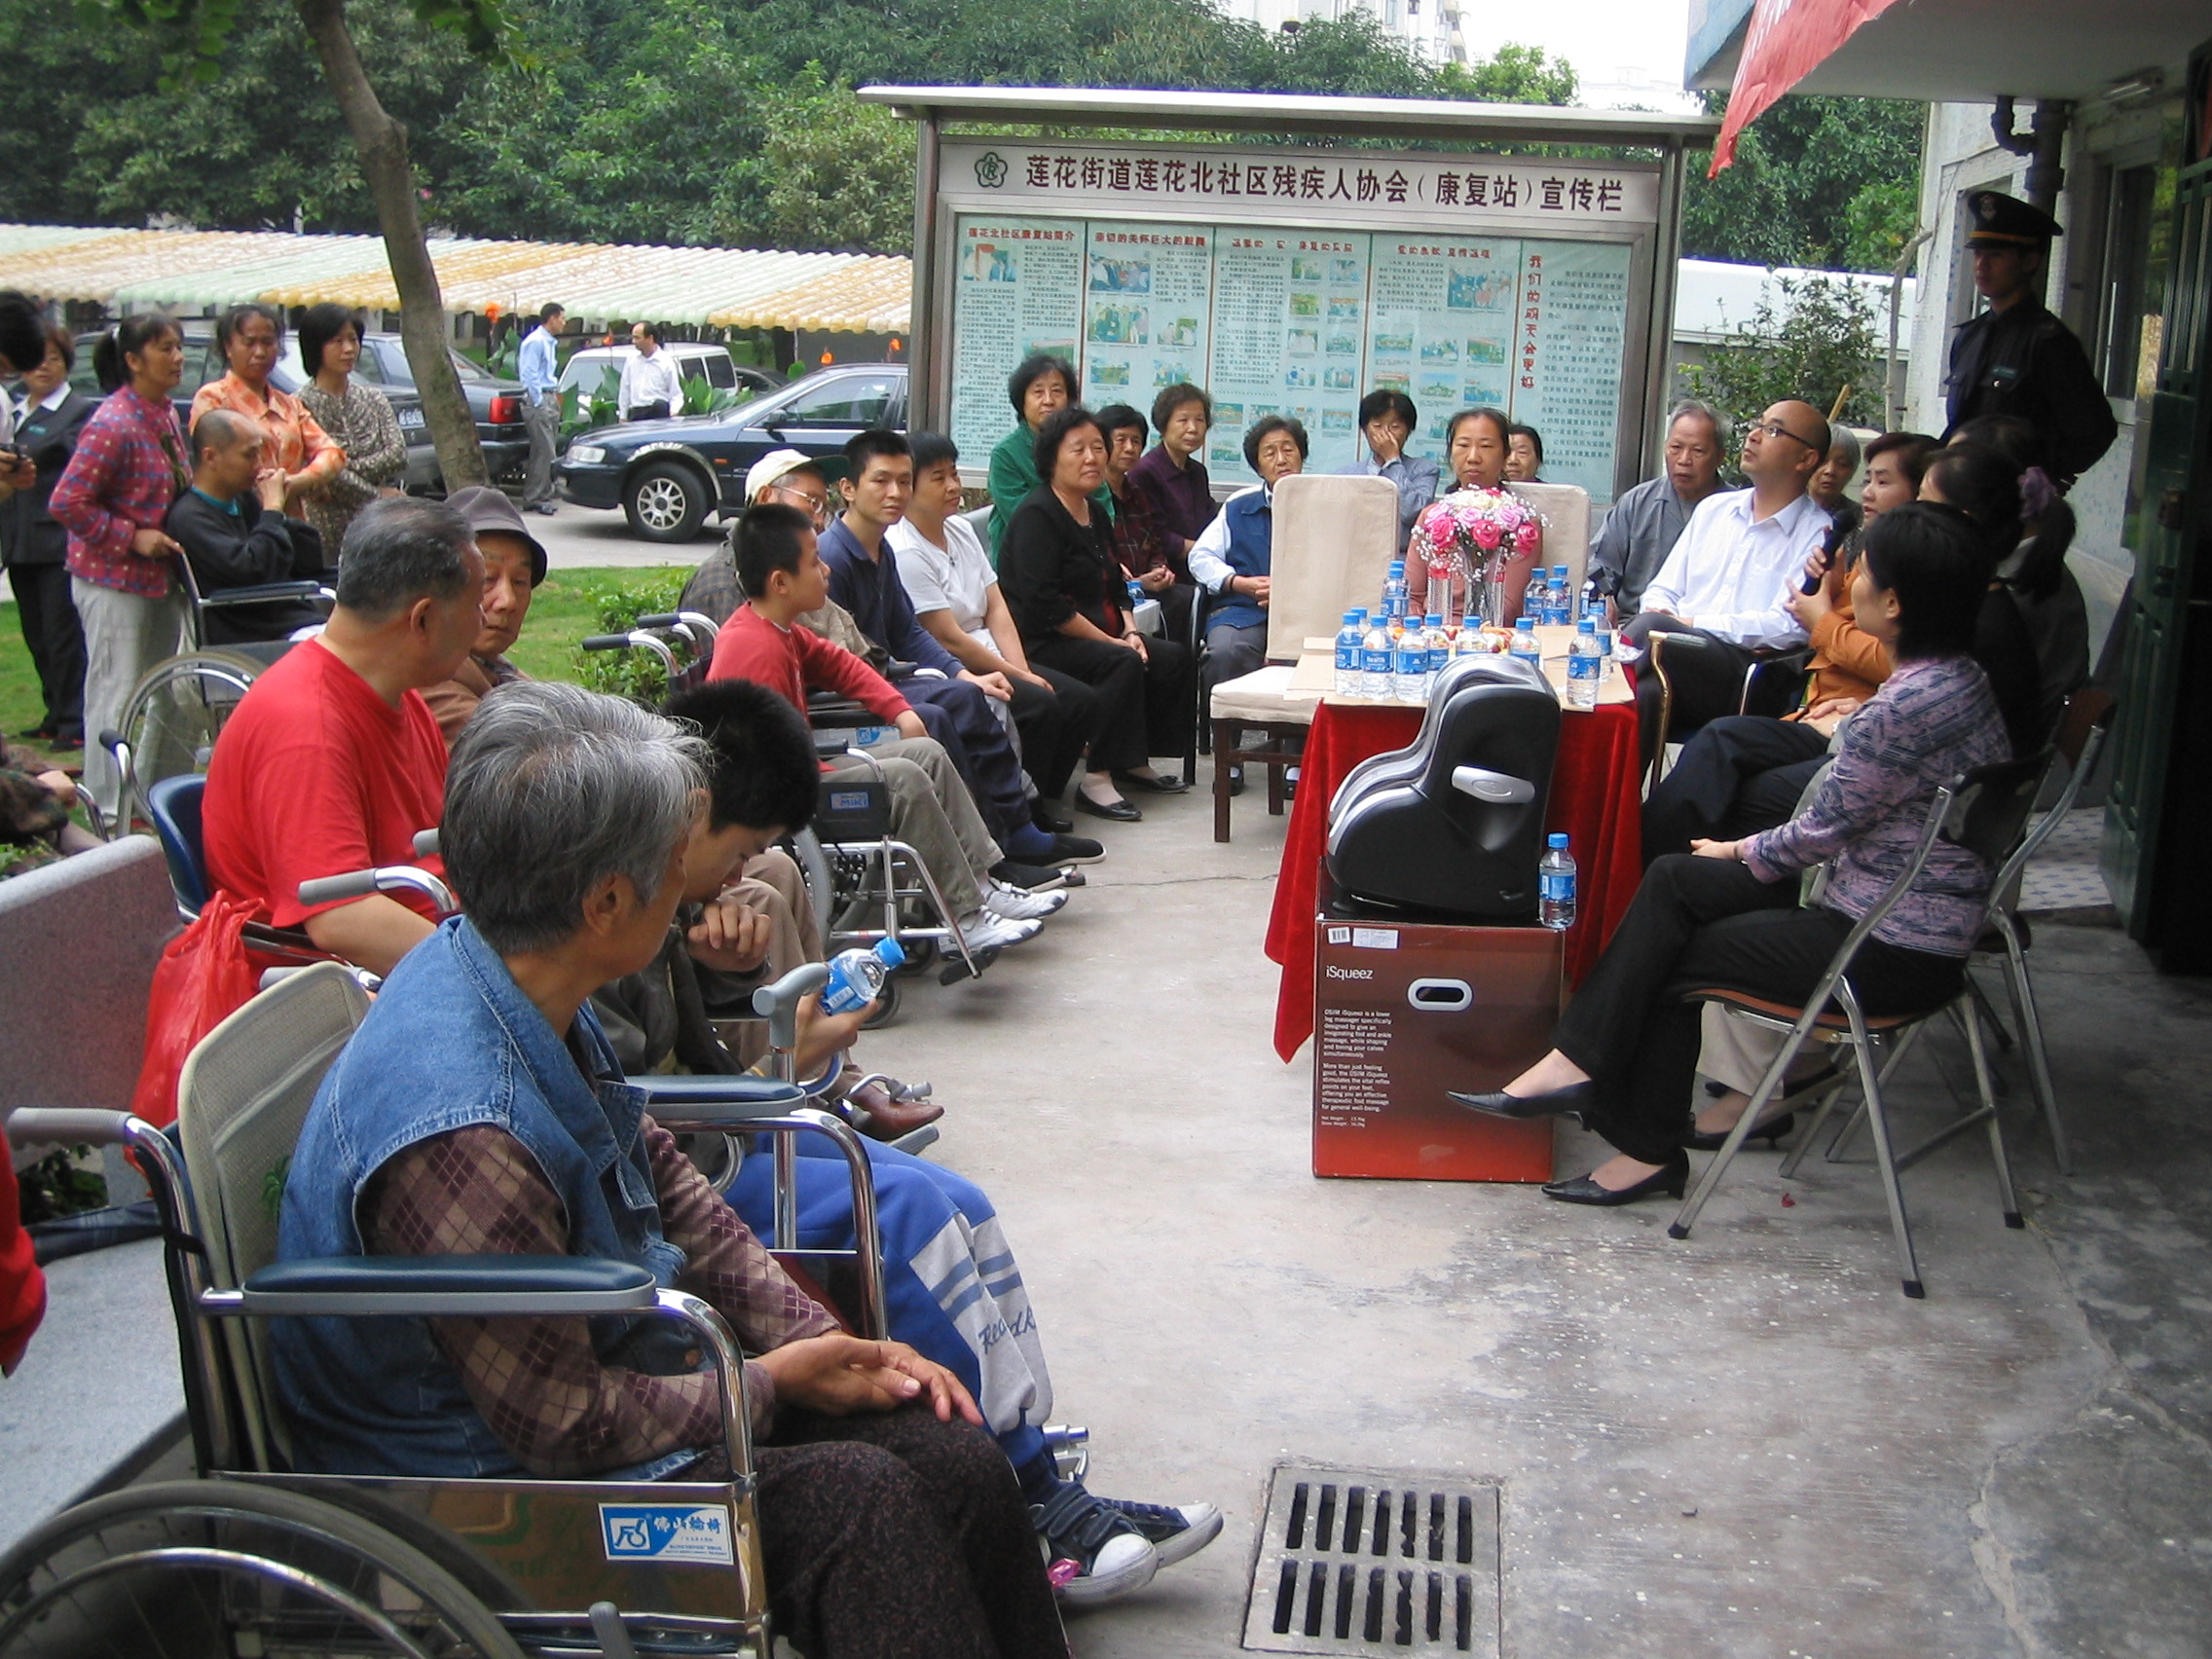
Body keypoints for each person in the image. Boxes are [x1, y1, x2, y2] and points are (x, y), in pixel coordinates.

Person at [271, 682, 1070, 1659]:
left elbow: (668, 1183)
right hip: (487, 1497)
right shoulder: (466, 1131)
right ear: (607, 901)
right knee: (858, 1512)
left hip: (614, 1383)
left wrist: (826, 1345)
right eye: (671, 860)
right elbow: (560, 1424)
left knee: (951, 1455)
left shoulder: (517, 975)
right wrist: (765, 1383)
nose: (697, 884)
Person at [664, 679, 1223, 1602]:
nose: (740, 876)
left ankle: (1033, 1468)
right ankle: (1028, 1500)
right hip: (695, 1160)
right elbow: (646, 1098)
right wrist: (785, 1045)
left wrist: (725, 974)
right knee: (908, 1216)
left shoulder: (664, 909)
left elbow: (699, 1048)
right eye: (738, 852)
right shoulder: (610, 915)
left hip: (721, 1132)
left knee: (961, 1201)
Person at [1451, 503, 2012, 1203]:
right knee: (1672, 881)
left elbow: (1822, 831)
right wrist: (1738, 853)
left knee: (1676, 954)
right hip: (1897, 913)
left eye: (1863, 573)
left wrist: (1738, 848)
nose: (1848, 584)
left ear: (1894, 603)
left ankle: (1637, 1139)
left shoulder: (1899, 711)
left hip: (1885, 943)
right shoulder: (1962, 681)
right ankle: (1576, 1066)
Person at [705, 500, 1051, 955]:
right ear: (780, 582)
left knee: (927, 751)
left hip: (803, 769)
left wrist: (900, 711)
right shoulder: (753, 647)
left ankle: (982, 886)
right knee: (903, 778)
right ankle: (962, 917)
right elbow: (765, 758)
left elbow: (842, 665)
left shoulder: (781, 629)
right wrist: (831, 773)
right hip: (783, 794)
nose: (826, 570)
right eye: (815, 561)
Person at [201, 497, 482, 977]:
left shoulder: (398, 692)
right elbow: (342, 920)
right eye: (475, 604)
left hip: (424, 942)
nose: (483, 620)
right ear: (423, 619)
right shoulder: (306, 724)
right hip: (337, 987)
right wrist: (496, 975)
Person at [1642, 430, 1937, 860]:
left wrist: (1822, 618)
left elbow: (1892, 660)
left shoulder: (1913, 566)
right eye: (1869, 479)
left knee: (1724, 748)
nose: (1867, 493)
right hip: (1819, 711)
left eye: (1883, 481)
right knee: (1649, 694)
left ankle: (1661, 859)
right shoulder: (1869, 553)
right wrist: (1833, 589)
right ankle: (1626, 844)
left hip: (1824, 711)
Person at [818, 429, 1083, 877]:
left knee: (970, 695)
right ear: (848, 488)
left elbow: (909, 633)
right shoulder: (834, 558)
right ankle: (989, 853)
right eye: (881, 481)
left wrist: (964, 675)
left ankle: (1014, 831)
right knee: (942, 715)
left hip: (890, 677)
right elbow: (837, 662)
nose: (895, 492)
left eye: (904, 481)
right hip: (856, 695)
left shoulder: (881, 549)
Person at [888, 432, 1099, 835]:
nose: (953, 486)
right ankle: (1018, 814)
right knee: (1038, 706)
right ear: (909, 488)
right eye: (938, 478)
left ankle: (1043, 798)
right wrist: (1019, 677)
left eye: (954, 474)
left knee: (1079, 701)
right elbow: (947, 638)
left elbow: (996, 605)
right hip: (957, 661)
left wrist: (1021, 669)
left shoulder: (960, 529)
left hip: (992, 648)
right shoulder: (906, 551)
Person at [999, 407, 1195, 824]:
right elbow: (1046, 606)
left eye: (1097, 448)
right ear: (1052, 457)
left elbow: (1116, 583)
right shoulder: (1037, 515)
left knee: (1171, 657)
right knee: (1119, 662)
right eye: (1078, 450)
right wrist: (1112, 642)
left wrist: (1130, 631)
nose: (1092, 458)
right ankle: (1097, 777)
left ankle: (1133, 760)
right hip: (1044, 640)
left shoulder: (1096, 512)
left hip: (1099, 632)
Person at [1624, 399, 1834, 755]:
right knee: (1644, 694)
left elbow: (1788, 625)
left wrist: (1689, 624)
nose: (1754, 436)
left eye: (1772, 430)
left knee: (1645, 633)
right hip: (1669, 657)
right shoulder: (1714, 509)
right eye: (1757, 424)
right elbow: (1662, 589)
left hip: (1744, 673)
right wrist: (1667, 619)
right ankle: (1616, 795)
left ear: (1806, 459)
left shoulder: (1817, 533)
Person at [51, 315, 193, 821]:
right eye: (164, 348)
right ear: (133, 360)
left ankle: (154, 801)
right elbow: (68, 502)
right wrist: (130, 536)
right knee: (116, 694)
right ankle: (107, 813)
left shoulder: (164, 414)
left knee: (166, 690)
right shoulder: (112, 423)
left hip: (161, 580)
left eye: (178, 347)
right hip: (112, 582)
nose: (177, 357)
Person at [1942, 190, 2117, 491]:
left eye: (1996, 255)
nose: (1981, 265)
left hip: (2011, 498)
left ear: (2029, 261)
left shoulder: (2049, 342)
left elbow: (2094, 432)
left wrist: (2043, 481)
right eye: (1978, 253)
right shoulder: (1969, 336)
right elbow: (1961, 422)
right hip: (1962, 490)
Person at [2, 325, 96, 749]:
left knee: (62, 637)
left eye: (53, 358)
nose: (43, 367)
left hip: (55, 542)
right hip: (18, 541)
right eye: (36, 359)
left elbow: (79, 470)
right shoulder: (15, 409)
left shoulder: (77, 411)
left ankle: (74, 720)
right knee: (36, 634)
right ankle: (53, 712)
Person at [165, 408, 329, 645]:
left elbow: (307, 563)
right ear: (210, 457)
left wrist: (281, 507)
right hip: (255, 628)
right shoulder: (190, 518)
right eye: (249, 455)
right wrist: (272, 510)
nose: (259, 465)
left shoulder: (244, 500)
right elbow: (253, 570)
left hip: (294, 616)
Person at [1188, 414, 1306, 702]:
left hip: (1307, 615)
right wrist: (1237, 582)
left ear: (1302, 455)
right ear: (1258, 466)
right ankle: (1226, 730)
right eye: (1270, 453)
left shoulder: (1325, 504)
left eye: (1288, 449)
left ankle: (1299, 733)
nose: (1281, 460)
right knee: (1226, 653)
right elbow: (1200, 557)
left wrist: (1291, 593)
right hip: (1243, 611)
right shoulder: (1238, 505)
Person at [188, 304, 345, 520]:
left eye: (268, 342)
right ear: (228, 347)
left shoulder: (289, 404)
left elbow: (333, 454)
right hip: (239, 520)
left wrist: (299, 482)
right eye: (249, 343)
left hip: (290, 523)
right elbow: (216, 467)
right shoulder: (213, 398)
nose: (260, 352)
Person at [421, 484, 546, 741]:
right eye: (487, 579)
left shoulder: (498, 671)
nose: (507, 601)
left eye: (520, 581)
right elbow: (518, 748)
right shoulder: (426, 681)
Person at [1588, 401, 1728, 617]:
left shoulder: (1736, 511)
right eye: (1676, 448)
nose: (1684, 460)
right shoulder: (1637, 502)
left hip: (1706, 629)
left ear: (1720, 457)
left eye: (1698, 451)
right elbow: (1600, 564)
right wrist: (1603, 596)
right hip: (1634, 623)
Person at [1405, 407, 1542, 622]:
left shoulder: (1522, 524)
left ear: (1505, 455)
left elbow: (1506, 608)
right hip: (1431, 632)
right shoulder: (1431, 517)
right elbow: (1411, 597)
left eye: (1486, 446)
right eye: (1463, 445)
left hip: (1490, 635)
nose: (1473, 457)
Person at [294, 303, 407, 558]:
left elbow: (397, 453)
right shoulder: (299, 405)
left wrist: (340, 469)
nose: (348, 349)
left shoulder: (373, 397)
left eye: (353, 340)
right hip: (327, 526)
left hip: (377, 527)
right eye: (337, 341)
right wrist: (376, 496)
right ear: (316, 346)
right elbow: (319, 471)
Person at [1097, 402, 1197, 644]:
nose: (1129, 448)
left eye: (1136, 441)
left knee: (1190, 598)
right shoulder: (1092, 497)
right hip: (1114, 595)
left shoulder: (1136, 494)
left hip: (1146, 588)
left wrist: (1160, 570)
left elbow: (1152, 543)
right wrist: (1137, 583)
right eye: (1121, 440)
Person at [987, 352, 1081, 560]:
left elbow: (1101, 504)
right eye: (1038, 392)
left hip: (1080, 560)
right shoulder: (1006, 454)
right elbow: (1025, 518)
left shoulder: (1083, 448)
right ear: (1022, 400)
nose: (1048, 400)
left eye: (1057, 391)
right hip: (1023, 563)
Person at [1127, 382, 1220, 564]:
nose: (1193, 428)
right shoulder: (1144, 472)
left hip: (1200, 565)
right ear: (1163, 425)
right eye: (1183, 420)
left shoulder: (1197, 472)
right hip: (1163, 571)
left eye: (1199, 420)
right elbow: (1153, 534)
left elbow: (1210, 521)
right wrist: (1203, 551)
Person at [1344, 388, 1438, 545]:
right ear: (1364, 429)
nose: (1386, 435)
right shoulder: (1346, 475)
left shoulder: (1424, 470)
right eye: (1377, 426)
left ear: (1408, 430)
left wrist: (1392, 460)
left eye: (1395, 427)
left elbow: (1411, 513)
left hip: (1402, 556)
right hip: (1355, 554)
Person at [518, 302, 566, 515]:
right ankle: (535, 497)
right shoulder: (535, 342)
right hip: (539, 400)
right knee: (544, 451)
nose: (564, 323)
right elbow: (529, 374)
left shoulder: (548, 342)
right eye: (562, 318)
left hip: (549, 397)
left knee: (547, 450)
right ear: (552, 318)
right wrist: (537, 401)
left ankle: (543, 493)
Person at [619, 320, 683, 421]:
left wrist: (673, 412)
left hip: (658, 414)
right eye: (633, 338)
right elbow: (625, 389)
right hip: (637, 413)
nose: (633, 341)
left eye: (637, 338)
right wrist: (623, 416)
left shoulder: (665, 361)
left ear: (649, 338)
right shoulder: (631, 361)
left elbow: (675, 393)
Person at [1809, 424, 1862, 541]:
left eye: (1842, 464)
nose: (1830, 471)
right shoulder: (1786, 508)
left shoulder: (1860, 519)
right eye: (1823, 461)